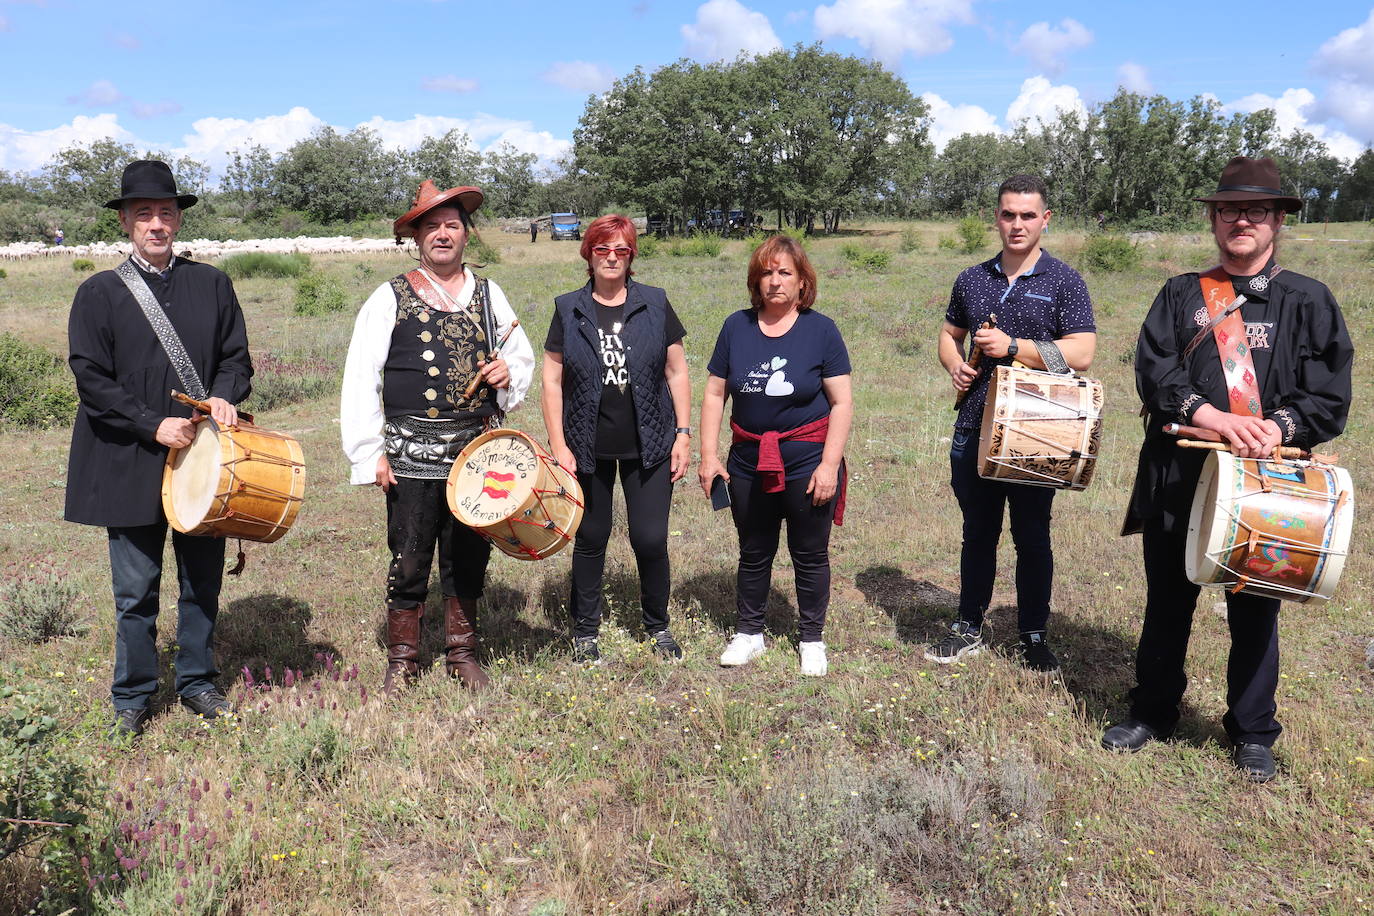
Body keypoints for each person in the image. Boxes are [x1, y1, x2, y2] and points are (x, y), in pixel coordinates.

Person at [1103, 156, 1353, 782]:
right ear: (1215, 219)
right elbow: (1155, 369)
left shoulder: (1309, 300)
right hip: (1179, 469)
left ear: (1277, 222)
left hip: (1265, 478)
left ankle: (1252, 730)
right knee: (1168, 597)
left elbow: (1329, 393)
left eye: (1257, 210)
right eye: (1230, 210)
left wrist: (1280, 428)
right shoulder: (1182, 294)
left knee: (1256, 604)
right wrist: (1212, 416)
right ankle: (1153, 711)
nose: (1242, 220)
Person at [66, 159, 253, 738]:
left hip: (202, 455)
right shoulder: (98, 292)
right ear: (125, 222)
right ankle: (134, 695)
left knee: (202, 580)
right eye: (143, 213)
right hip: (128, 455)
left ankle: (197, 681)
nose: (156, 223)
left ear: (178, 219)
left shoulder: (213, 284)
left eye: (165, 212)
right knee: (135, 588)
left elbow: (235, 358)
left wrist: (223, 398)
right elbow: (91, 377)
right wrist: (153, 425)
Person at [341, 181, 534, 693]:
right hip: (410, 454)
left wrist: (505, 375)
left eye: (452, 225)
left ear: (466, 234)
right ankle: (403, 659)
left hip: (476, 452)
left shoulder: (490, 294)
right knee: (409, 555)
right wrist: (370, 455)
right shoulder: (390, 296)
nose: (443, 235)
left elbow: (520, 354)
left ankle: (462, 653)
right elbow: (362, 375)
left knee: (468, 552)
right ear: (417, 237)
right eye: (432, 227)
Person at [932, 174, 1097, 671]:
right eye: (1009, 214)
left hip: (1037, 430)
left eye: (1028, 215)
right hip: (973, 429)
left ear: (1045, 219)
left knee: (1032, 535)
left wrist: (1014, 349)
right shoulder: (971, 278)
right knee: (977, 532)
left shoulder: (1064, 281)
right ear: (997, 218)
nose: (1017, 224)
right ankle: (969, 626)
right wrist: (954, 363)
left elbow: (1082, 352)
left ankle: (1033, 635)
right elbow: (948, 332)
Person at [698, 235, 852, 677]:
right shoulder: (736, 327)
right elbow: (714, 394)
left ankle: (811, 639)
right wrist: (709, 457)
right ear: (755, 280)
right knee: (754, 549)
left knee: (809, 551)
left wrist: (828, 465)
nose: (775, 281)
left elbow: (841, 403)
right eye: (767, 272)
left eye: (785, 272)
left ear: (803, 282)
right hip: (748, 459)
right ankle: (749, 634)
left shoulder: (821, 331)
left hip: (807, 460)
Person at [542, 214, 692, 664]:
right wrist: (559, 444)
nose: (611, 257)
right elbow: (552, 379)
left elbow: (677, 370)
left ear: (632, 256)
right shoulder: (568, 308)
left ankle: (658, 626)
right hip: (586, 444)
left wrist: (683, 434)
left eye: (621, 250)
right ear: (588, 253)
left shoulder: (656, 303)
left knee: (650, 538)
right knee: (591, 536)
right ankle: (585, 632)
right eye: (603, 249)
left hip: (650, 441)